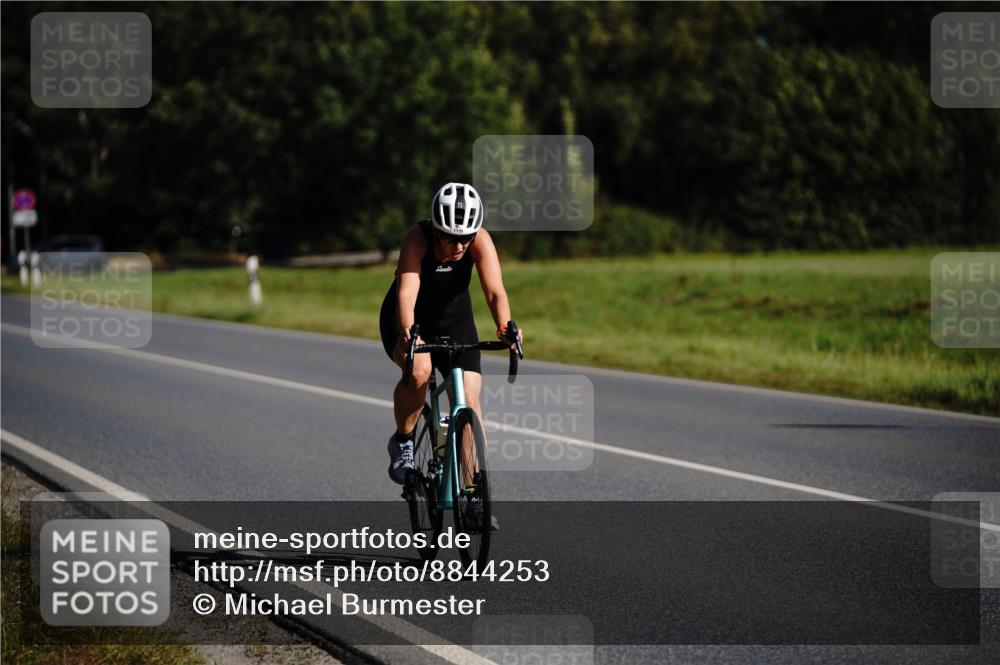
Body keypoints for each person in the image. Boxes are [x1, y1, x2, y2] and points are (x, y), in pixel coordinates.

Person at [379, 183, 523, 513]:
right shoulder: (417, 238)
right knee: (419, 372)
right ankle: (403, 441)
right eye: (450, 237)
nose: (459, 246)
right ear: (437, 228)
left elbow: (495, 292)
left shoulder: (480, 240)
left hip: (455, 320)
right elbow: (407, 293)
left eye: (466, 237)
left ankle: (472, 491)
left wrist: (504, 327)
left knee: (468, 399)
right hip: (410, 318)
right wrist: (408, 333)